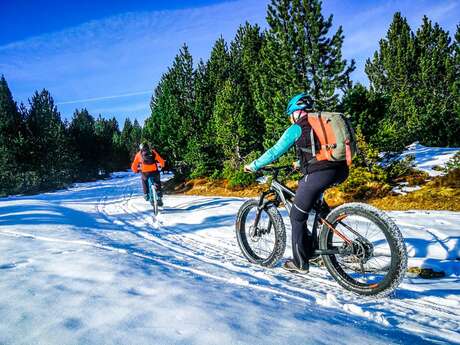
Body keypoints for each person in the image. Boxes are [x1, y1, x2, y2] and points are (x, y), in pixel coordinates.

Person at [244, 93, 349, 274]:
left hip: (319, 174)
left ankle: (300, 263)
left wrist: (253, 166)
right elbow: (321, 150)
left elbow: (274, 151)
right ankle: (321, 243)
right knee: (317, 209)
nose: (290, 119)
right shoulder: (319, 123)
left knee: (297, 216)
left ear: (295, 112)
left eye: (290, 115)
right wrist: (300, 163)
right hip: (340, 170)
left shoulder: (298, 127)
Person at [131, 142, 166, 206]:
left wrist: (135, 170)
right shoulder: (153, 152)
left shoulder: (139, 154)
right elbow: (161, 160)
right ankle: (159, 195)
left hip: (145, 173)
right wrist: (162, 165)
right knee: (157, 181)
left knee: (144, 180)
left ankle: (146, 194)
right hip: (154, 172)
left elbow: (134, 165)